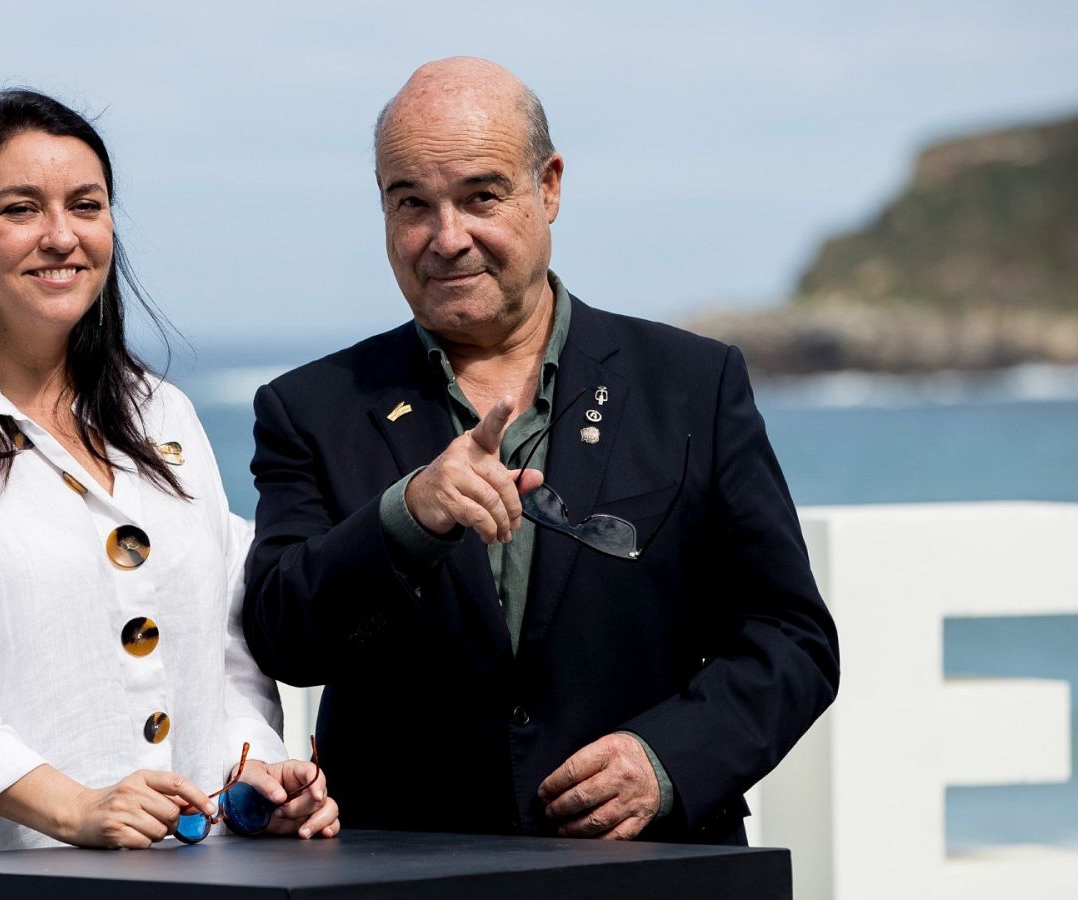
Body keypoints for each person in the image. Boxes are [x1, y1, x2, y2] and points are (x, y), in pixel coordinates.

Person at [241, 58, 838, 844]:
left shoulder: (692, 383)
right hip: (403, 870)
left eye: (481, 196)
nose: (446, 238)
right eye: (411, 203)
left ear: (548, 187)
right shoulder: (310, 407)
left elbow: (791, 638)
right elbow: (285, 637)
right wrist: (407, 514)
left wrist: (665, 763)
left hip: (653, 873)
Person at [0, 89, 338, 862]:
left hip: (176, 873)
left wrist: (255, 774)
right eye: (21, 209)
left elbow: (222, 649)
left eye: (85, 205)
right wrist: (76, 809)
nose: (61, 236)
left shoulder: (163, 415)